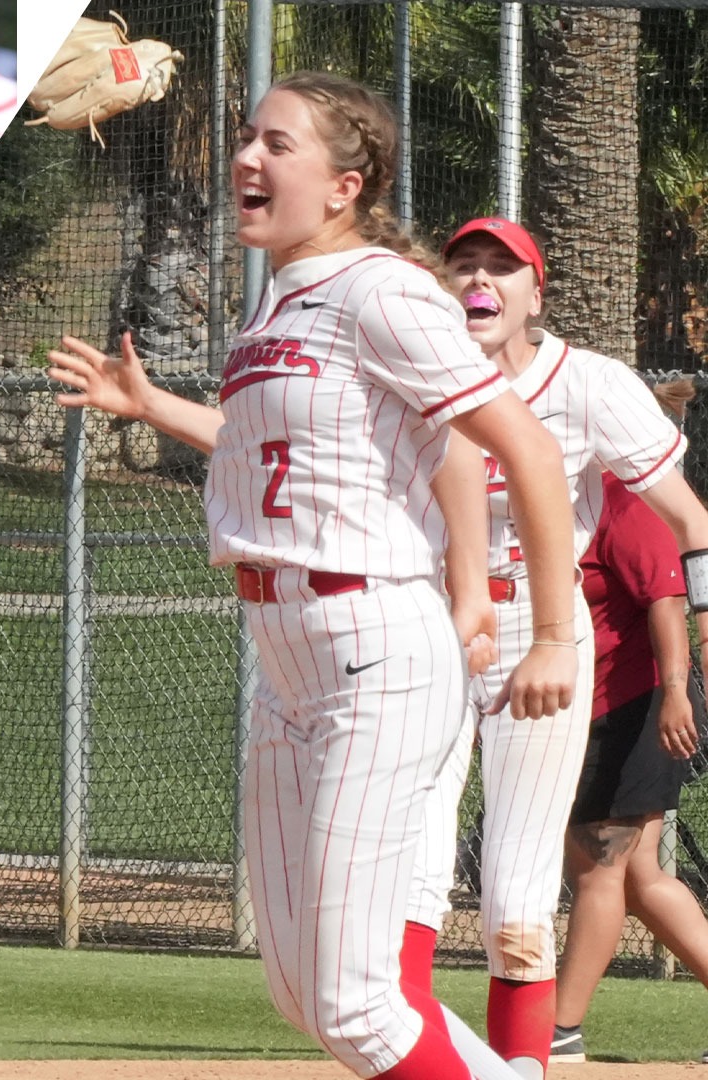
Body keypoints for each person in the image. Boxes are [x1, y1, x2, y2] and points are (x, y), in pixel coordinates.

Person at [47, 71, 579, 1080]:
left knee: (360, 1002)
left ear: (346, 184)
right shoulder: (281, 304)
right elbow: (289, 466)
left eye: (278, 145)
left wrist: (548, 631)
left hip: (372, 644)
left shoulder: (381, 289)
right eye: (249, 137)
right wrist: (152, 406)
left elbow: (521, 451)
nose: (248, 157)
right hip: (287, 659)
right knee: (305, 997)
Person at [402, 219, 708, 1080]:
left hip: (541, 634)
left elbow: (691, 522)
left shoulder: (588, 384)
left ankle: (526, 1063)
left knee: (519, 882)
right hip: (433, 630)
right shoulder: (410, 376)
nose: (479, 279)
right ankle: (405, 1052)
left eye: (503, 268)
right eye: (463, 264)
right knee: (414, 862)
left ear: (536, 294)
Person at [549, 380, 708, 1065]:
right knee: (641, 880)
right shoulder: (553, 498)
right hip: (586, 707)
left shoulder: (620, 497)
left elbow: (667, 600)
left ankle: (558, 1031)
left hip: (637, 705)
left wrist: (676, 691)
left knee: (598, 865)